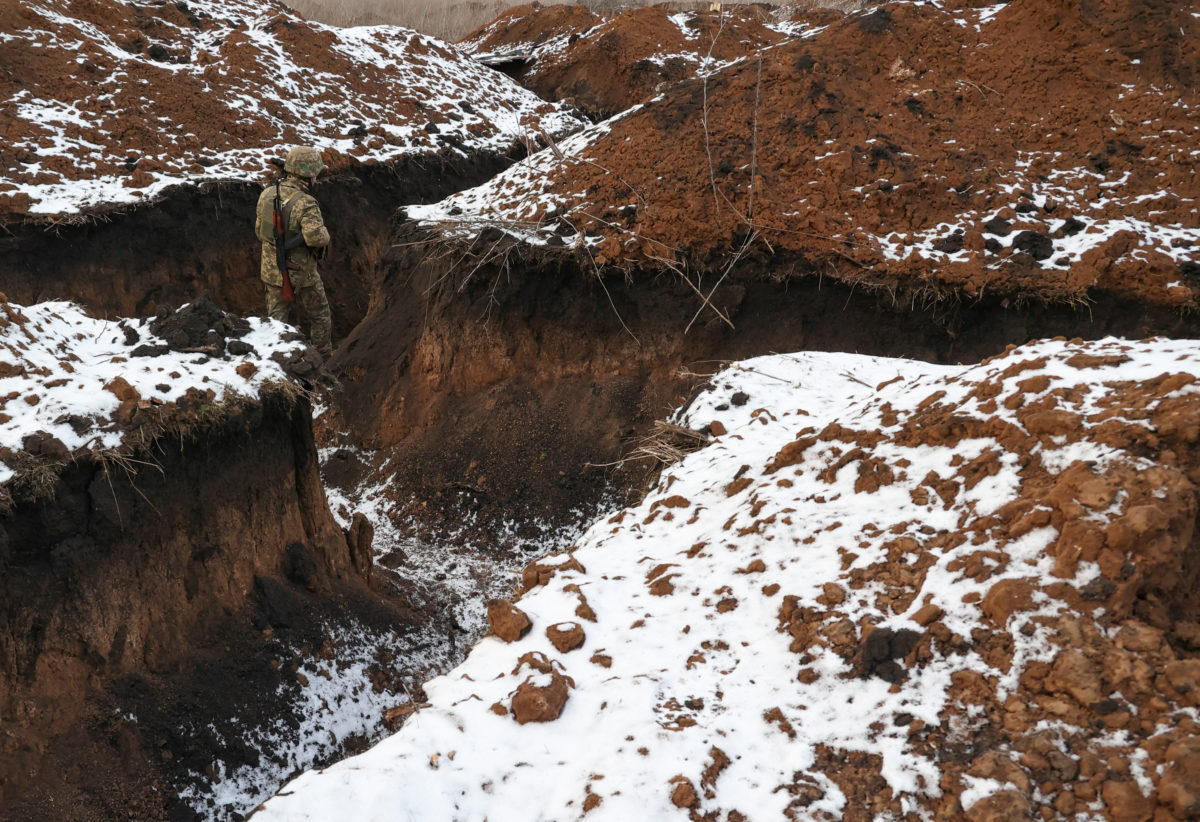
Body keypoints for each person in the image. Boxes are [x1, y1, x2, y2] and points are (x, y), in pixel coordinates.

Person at [254, 145, 333, 359]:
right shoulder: (306, 203)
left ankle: (277, 362)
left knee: (276, 322)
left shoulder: (267, 193)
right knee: (320, 317)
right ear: (309, 175)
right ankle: (323, 360)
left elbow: (259, 231)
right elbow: (317, 238)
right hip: (302, 275)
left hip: (272, 272)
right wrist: (325, 233)